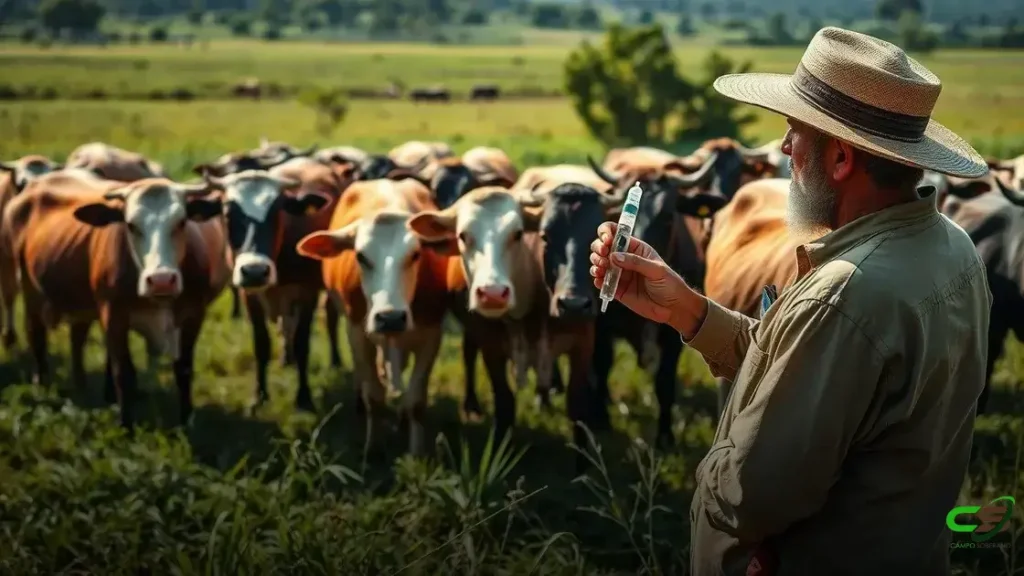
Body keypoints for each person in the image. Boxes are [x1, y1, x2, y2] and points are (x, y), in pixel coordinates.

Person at [589, 27, 993, 575]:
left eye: (793, 132)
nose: (783, 150)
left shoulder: (843, 296)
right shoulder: (953, 247)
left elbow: (752, 495)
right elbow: (807, 367)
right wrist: (684, 308)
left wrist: (708, 475)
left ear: (842, 159)